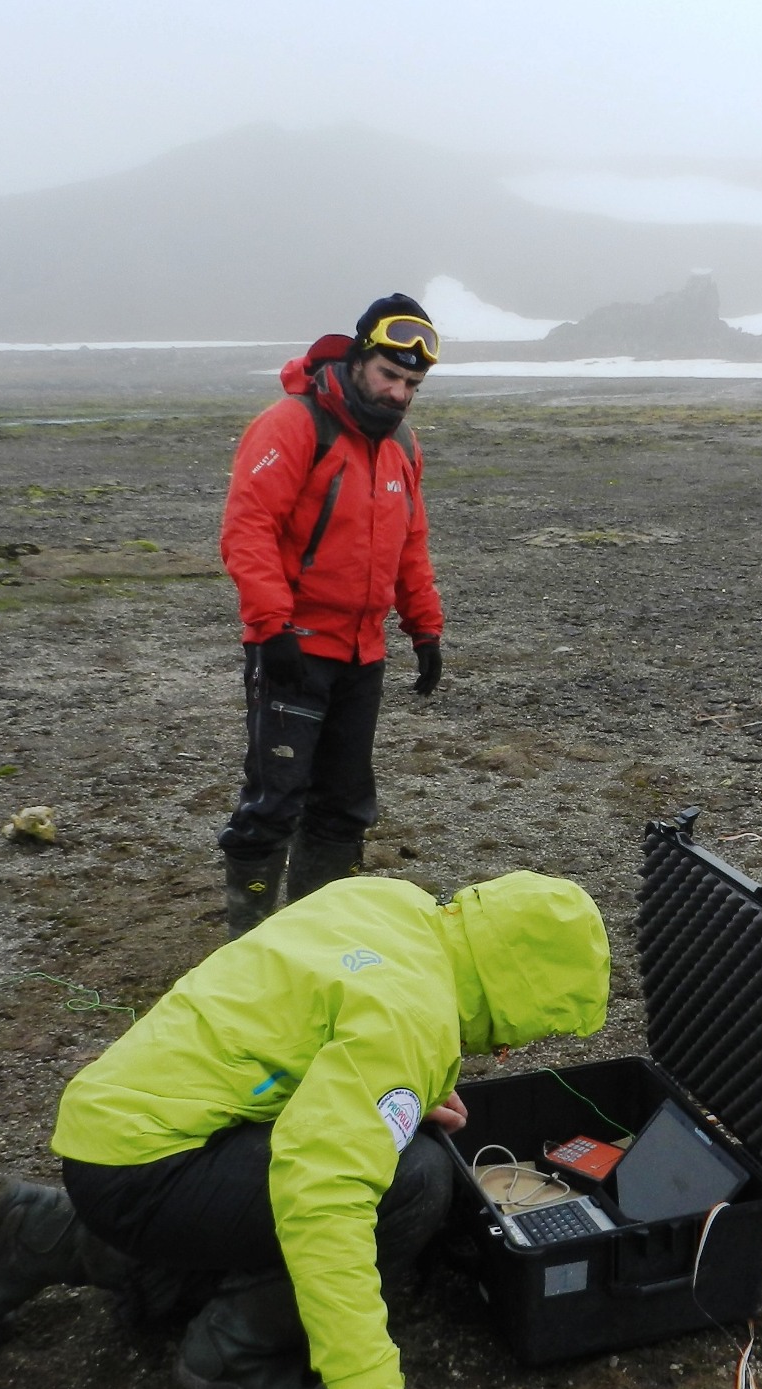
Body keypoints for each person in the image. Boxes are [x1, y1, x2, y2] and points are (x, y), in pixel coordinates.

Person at [0, 870, 609, 1389]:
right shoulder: (414, 1018)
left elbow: (315, 1017)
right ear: (518, 987)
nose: (510, 1051)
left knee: (391, 1142)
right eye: (537, 1024)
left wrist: (409, 1087)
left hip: (117, 1131)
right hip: (146, 1171)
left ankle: (43, 1231)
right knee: (411, 1177)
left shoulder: (392, 904)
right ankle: (232, 1356)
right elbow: (323, 1193)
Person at [218, 293, 446, 938]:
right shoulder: (292, 425)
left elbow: (410, 541)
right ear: (356, 357)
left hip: (361, 654)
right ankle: (251, 945)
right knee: (273, 802)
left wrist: (424, 628)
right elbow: (248, 528)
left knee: (345, 807)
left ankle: (317, 941)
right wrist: (271, 627)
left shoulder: (400, 443)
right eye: (390, 376)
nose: (400, 393)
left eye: (412, 383)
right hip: (295, 646)